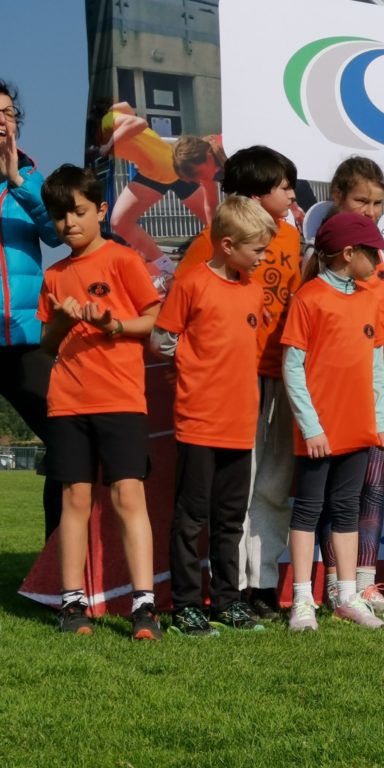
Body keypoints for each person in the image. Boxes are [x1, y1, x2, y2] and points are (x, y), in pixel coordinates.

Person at [175, 145, 301, 620]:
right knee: (237, 489)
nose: (292, 195)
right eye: (284, 187)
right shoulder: (213, 244)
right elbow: (183, 310)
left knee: (274, 484)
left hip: (282, 374)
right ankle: (234, 587)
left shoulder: (291, 237)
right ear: (254, 194)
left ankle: (264, 582)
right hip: (233, 383)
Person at [38, 164, 161, 639]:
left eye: (79, 211)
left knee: (128, 495)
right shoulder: (54, 275)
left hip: (121, 399)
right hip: (67, 402)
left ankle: (144, 605)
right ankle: (73, 604)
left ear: (101, 210)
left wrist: (114, 325)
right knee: (75, 498)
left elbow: (154, 318)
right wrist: (65, 323)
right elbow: (48, 344)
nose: (69, 223)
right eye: (59, 215)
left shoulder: (124, 260)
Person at [153, 196, 276, 637]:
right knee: (191, 519)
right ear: (227, 245)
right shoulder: (191, 283)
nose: (262, 258)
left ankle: (227, 601)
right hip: (199, 421)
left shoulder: (252, 290)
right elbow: (162, 340)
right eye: (257, 250)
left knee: (230, 518)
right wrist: (192, 365)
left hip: (241, 423)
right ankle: (187, 605)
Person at [281, 212, 384, 631]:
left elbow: (375, 368)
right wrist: (311, 427)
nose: (378, 261)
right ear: (348, 253)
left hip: (359, 428)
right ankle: (302, 600)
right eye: (372, 253)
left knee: (347, 508)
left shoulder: (368, 298)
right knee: (309, 510)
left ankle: (347, 596)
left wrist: (378, 422)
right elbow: (292, 367)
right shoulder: (309, 298)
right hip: (319, 432)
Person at [317, 155, 384, 619]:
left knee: (373, 489)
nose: (371, 211)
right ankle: (337, 587)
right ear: (337, 196)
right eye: (361, 201)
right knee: (335, 494)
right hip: (336, 393)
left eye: (377, 202)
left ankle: (365, 584)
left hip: (382, 392)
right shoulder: (321, 255)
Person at [0, 78, 63, 537]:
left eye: (8, 114)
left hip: (23, 336)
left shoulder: (33, 179)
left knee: (66, 439)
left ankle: (57, 564)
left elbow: (57, 233)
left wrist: (17, 180)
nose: (3, 122)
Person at [100, 102, 223, 264]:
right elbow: (126, 107)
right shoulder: (115, 115)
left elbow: (140, 122)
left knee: (120, 221)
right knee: (213, 217)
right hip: (163, 165)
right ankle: (167, 265)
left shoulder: (106, 121)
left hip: (160, 167)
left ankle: (165, 265)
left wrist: (108, 145)